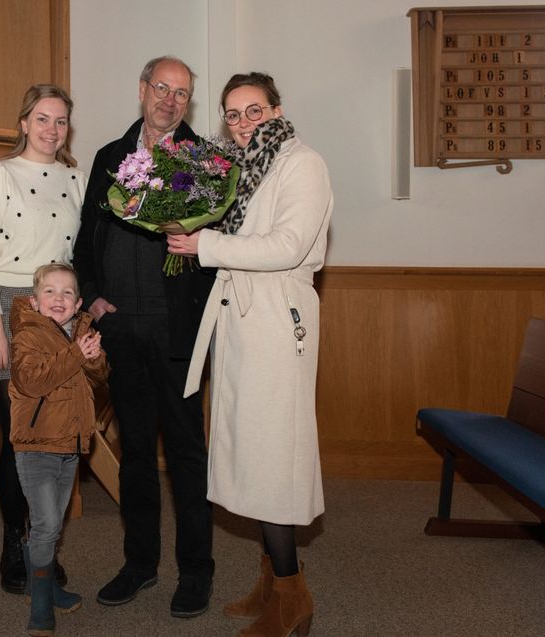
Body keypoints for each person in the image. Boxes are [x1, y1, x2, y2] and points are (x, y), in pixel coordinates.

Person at [166, 72, 333, 636]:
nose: (241, 124)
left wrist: (203, 244)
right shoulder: (234, 167)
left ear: (276, 110)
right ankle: (272, 583)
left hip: (276, 323)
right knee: (250, 452)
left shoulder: (300, 163)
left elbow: (287, 246)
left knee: (274, 459)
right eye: (232, 114)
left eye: (253, 112)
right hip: (239, 318)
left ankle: (293, 599)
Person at [73, 55, 215, 618]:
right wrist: (92, 294)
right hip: (122, 327)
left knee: (185, 451)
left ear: (189, 102)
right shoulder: (110, 156)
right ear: (142, 90)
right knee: (134, 451)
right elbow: (87, 236)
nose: (170, 100)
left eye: (181, 93)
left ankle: (196, 571)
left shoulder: (204, 161)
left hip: (177, 330)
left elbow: (211, 247)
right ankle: (139, 564)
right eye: (162, 88)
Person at [0, 84, 87, 594]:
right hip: (13, 305)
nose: (51, 130)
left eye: (60, 121)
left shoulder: (75, 176)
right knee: (20, 438)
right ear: (23, 123)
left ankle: (44, 542)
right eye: (42, 119)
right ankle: (14, 546)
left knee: (56, 434)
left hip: (58, 303)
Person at [9, 263, 109, 635]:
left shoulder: (82, 332)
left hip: (71, 444)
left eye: (67, 293)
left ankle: (43, 581)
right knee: (48, 524)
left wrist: (95, 357)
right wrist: (77, 355)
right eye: (49, 291)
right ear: (35, 302)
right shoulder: (28, 334)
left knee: (51, 522)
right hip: (35, 446)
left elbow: (100, 377)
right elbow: (32, 380)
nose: (58, 298)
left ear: (79, 302)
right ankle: (40, 604)